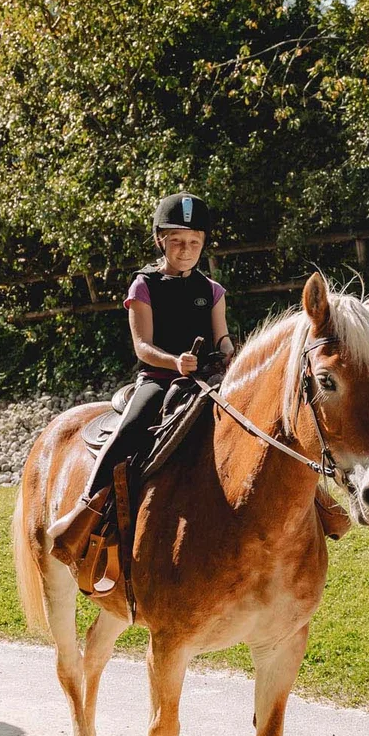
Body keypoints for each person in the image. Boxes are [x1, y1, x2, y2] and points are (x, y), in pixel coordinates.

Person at [48, 193, 232, 558]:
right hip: (158, 379)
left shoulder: (212, 291)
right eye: (177, 241)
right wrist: (175, 362)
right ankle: (87, 510)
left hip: (208, 380)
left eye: (195, 242)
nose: (186, 249)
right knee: (131, 428)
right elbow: (142, 347)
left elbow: (222, 336)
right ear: (160, 240)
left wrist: (229, 353)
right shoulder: (143, 285)